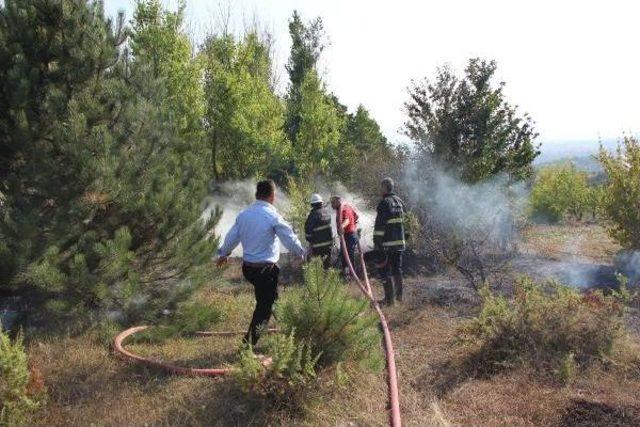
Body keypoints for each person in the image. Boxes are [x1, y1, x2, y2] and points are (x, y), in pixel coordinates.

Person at [216, 180, 306, 345]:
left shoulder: (244, 215)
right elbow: (288, 236)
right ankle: (247, 346)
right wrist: (301, 252)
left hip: (249, 270)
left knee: (271, 299)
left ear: (256, 195)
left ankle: (289, 334)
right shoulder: (272, 215)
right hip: (265, 271)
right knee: (265, 308)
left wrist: (223, 253)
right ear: (272, 196)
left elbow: (232, 237)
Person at [373, 177, 407, 305]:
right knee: (397, 270)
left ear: (384, 187)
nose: (380, 190)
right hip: (399, 244)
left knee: (384, 271)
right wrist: (404, 239)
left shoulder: (384, 203)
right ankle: (399, 298)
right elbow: (407, 224)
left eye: (381, 187)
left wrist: (377, 242)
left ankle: (389, 300)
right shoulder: (400, 202)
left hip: (386, 245)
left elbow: (379, 226)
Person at [330, 195, 360, 278]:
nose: (331, 205)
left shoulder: (343, 208)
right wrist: (353, 224)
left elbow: (347, 220)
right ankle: (347, 275)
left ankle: (352, 276)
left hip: (349, 235)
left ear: (338, 201)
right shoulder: (346, 207)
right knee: (344, 256)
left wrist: (342, 226)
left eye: (333, 202)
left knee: (348, 257)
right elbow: (356, 216)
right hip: (348, 235)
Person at [304, 193, 333, 269]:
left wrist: (309, 239)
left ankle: (316, 279)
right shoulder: (327, 212)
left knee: (314, 266)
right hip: (328, 245)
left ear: (312, 205)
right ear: (321, 203)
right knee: (326, 265)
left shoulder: (313, 214)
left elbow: (308, 229)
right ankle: (327, 279)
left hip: (317, 246)